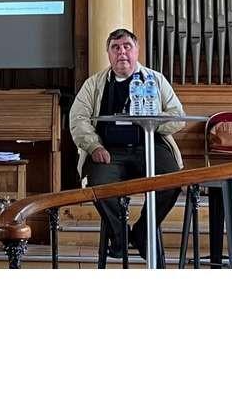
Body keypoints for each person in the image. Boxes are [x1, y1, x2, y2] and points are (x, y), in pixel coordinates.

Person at [69, 27, 185, 260]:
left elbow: (177, 115)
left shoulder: (156, 80)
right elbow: (78, 118)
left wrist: (150, 124)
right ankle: (120, 236)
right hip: (109, 151)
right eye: (115, 48)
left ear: (137, 51)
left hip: (150, 147)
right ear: (108, 54)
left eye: (127, 47)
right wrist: (94, 146)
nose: (122, 52)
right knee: (98, 185)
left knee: (173, 180)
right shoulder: (94, 84)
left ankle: (142, 232)